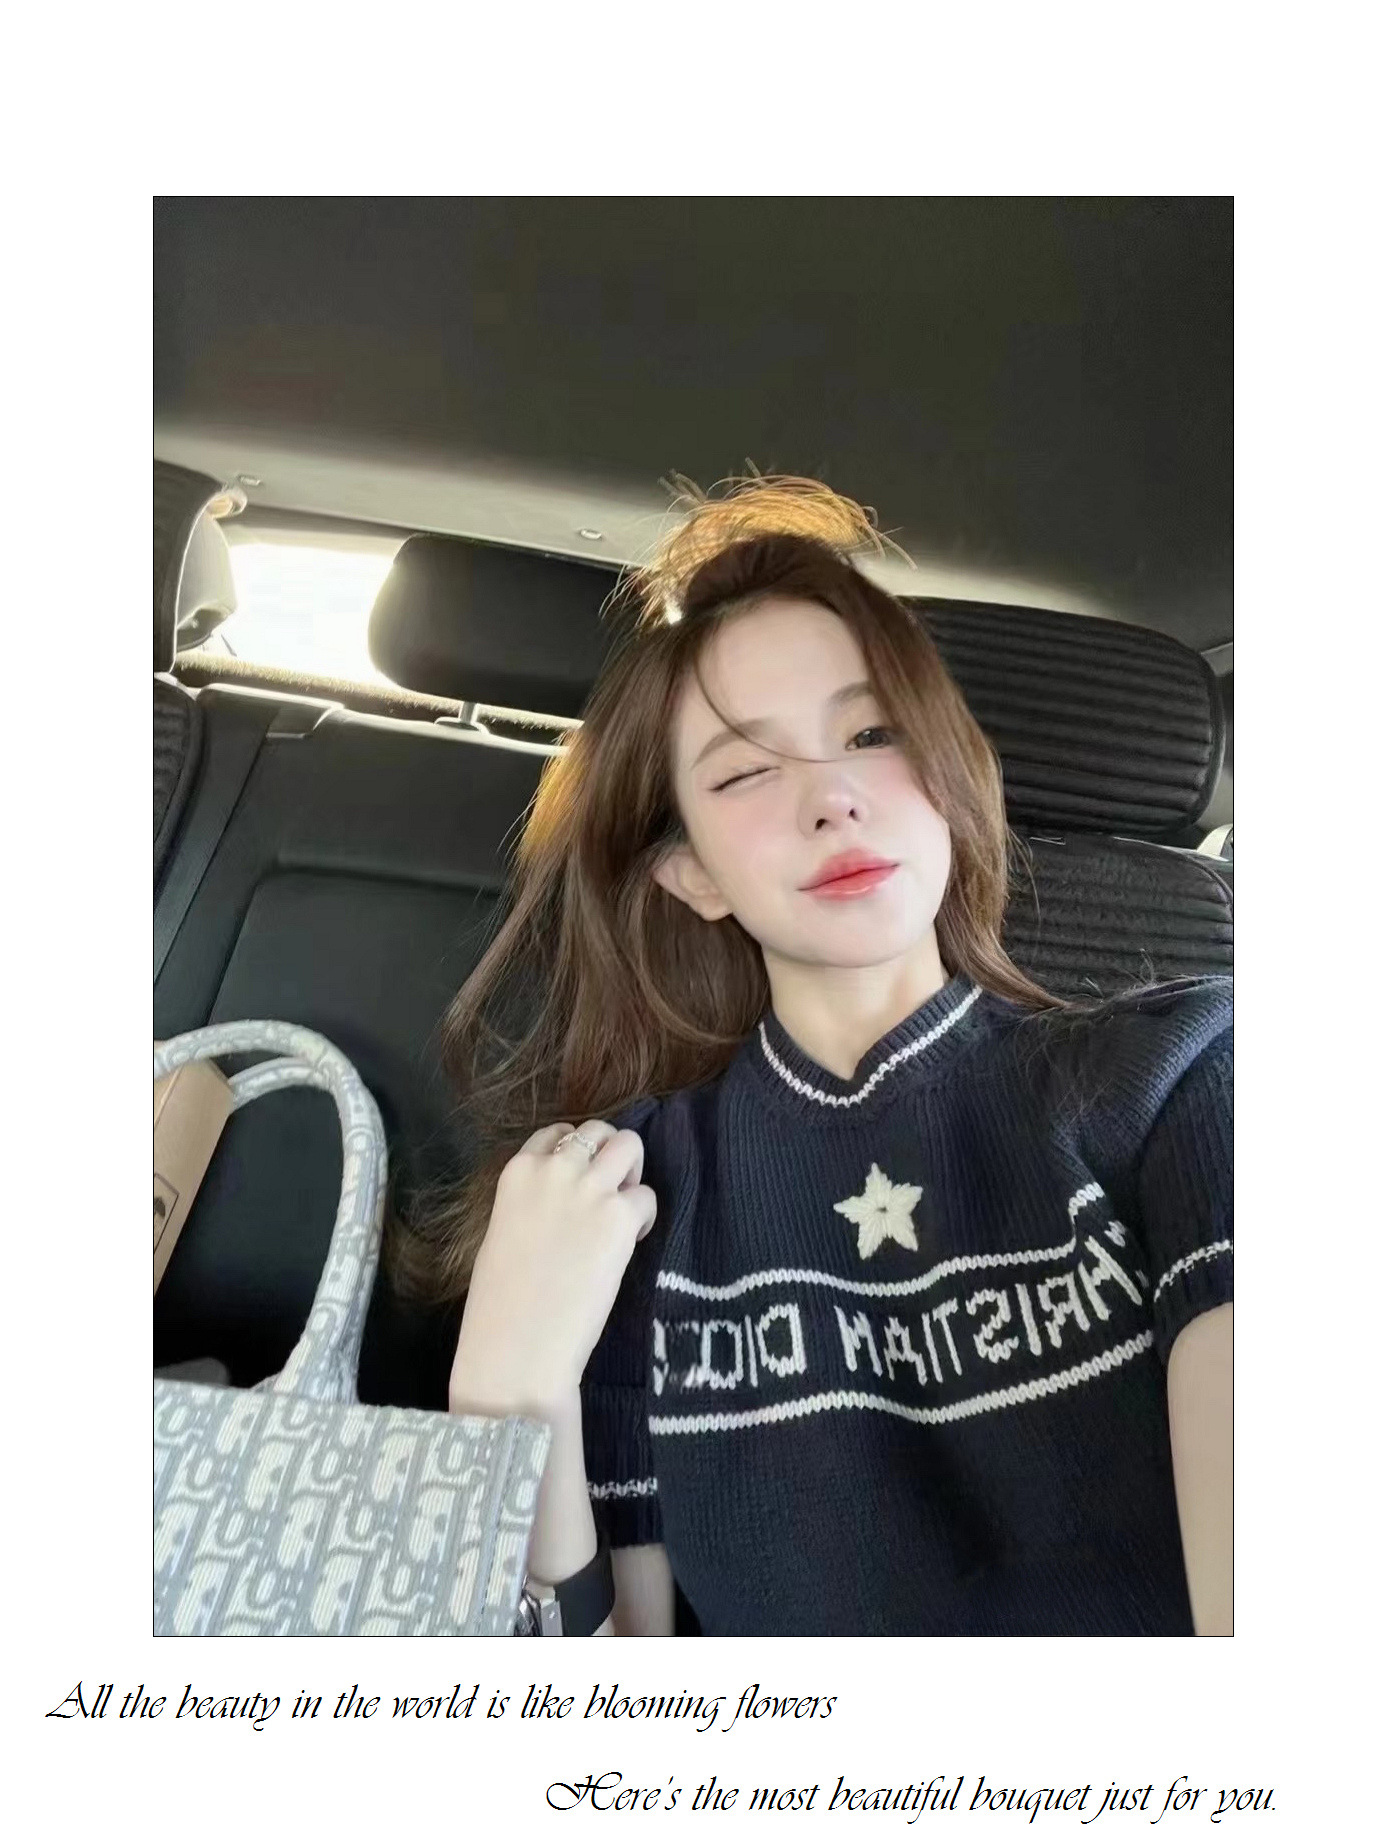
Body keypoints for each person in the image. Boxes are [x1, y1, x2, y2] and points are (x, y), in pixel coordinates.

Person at [392, 474, 1233, 1637]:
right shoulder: (626, 1194)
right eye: (746, 770)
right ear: (691, 871)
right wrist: (507, 1397)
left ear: (951, 783)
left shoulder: (1191, 1077)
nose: (833, 798)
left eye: (873, 734)